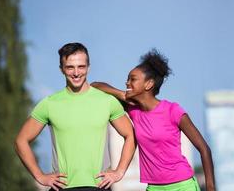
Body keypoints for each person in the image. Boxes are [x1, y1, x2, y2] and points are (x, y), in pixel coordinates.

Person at [15, 42, 136, 191]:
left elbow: (130, 135)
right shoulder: (49, 103)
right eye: (70, 67)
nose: (76, 72)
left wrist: (119, 171)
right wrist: (40, 176)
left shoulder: (107, 101)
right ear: (61, 69)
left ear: (88, 67)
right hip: (63, 187)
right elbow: (21, 140)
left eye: (81, 66)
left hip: (99, 186)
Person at [91, 49, 216, 191]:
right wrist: (122, 95)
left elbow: (204, 149)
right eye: (127, 79)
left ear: (149, 84)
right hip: (153, 187)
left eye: (133, 79)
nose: (127, 83)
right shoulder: (134, 111)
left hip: (183, 185)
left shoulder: (173, 111)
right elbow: (95, 85)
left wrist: (210, 187)